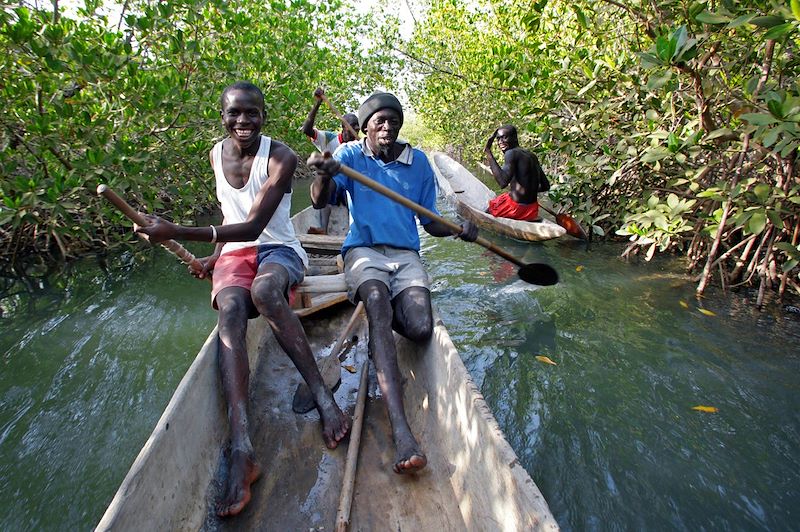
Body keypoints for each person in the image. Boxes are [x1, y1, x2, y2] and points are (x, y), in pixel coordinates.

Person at [134, 81, 350, 517]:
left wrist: (174, 230)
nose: (243, 121)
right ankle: (241, 447)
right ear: (223, 118)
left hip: (280, 250)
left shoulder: (281, 157)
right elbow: (229, 217)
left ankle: (324, 398)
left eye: (252, 113)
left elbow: (254, 228)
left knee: (266, 290)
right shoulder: (216, 154)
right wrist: (212, 258)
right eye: (235, 114)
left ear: (264, 116)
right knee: (230, 310)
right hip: (233, 251)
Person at [307, 91, 477, 475]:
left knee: (419, 328)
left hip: (405, 256)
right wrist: (322, 171)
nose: (387, 128)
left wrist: (459, 230)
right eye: (379, 121)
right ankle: (402, 430)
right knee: (377, 301)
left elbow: (431, 221)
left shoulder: (417, 163)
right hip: (363, 250)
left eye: (393, 121)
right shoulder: (350, 156)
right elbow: (320, 202)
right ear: (365, 126)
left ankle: (379, 333)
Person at [300, 87, 360, 235]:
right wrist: (317, 104)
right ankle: (324, 231)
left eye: (356, 130)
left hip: (347, 184)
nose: (353, 133)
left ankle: (356, 230)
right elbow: (307, 130)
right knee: (324, 190)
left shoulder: (358, 145)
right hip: (331, 183)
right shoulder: (329, 138)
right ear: (343, 128)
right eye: (350, 128)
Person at [483, 124, 550, 221]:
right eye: (498, 139)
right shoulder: (531, 155)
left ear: (514, 138)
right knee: (504, 197)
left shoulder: (511, 153)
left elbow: (502, 183)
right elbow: (545, 186)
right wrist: (527, 191)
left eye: (504, 137)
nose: (500, 142)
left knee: (487, 212)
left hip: (516, 209)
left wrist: (488, 152)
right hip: (532, 209)